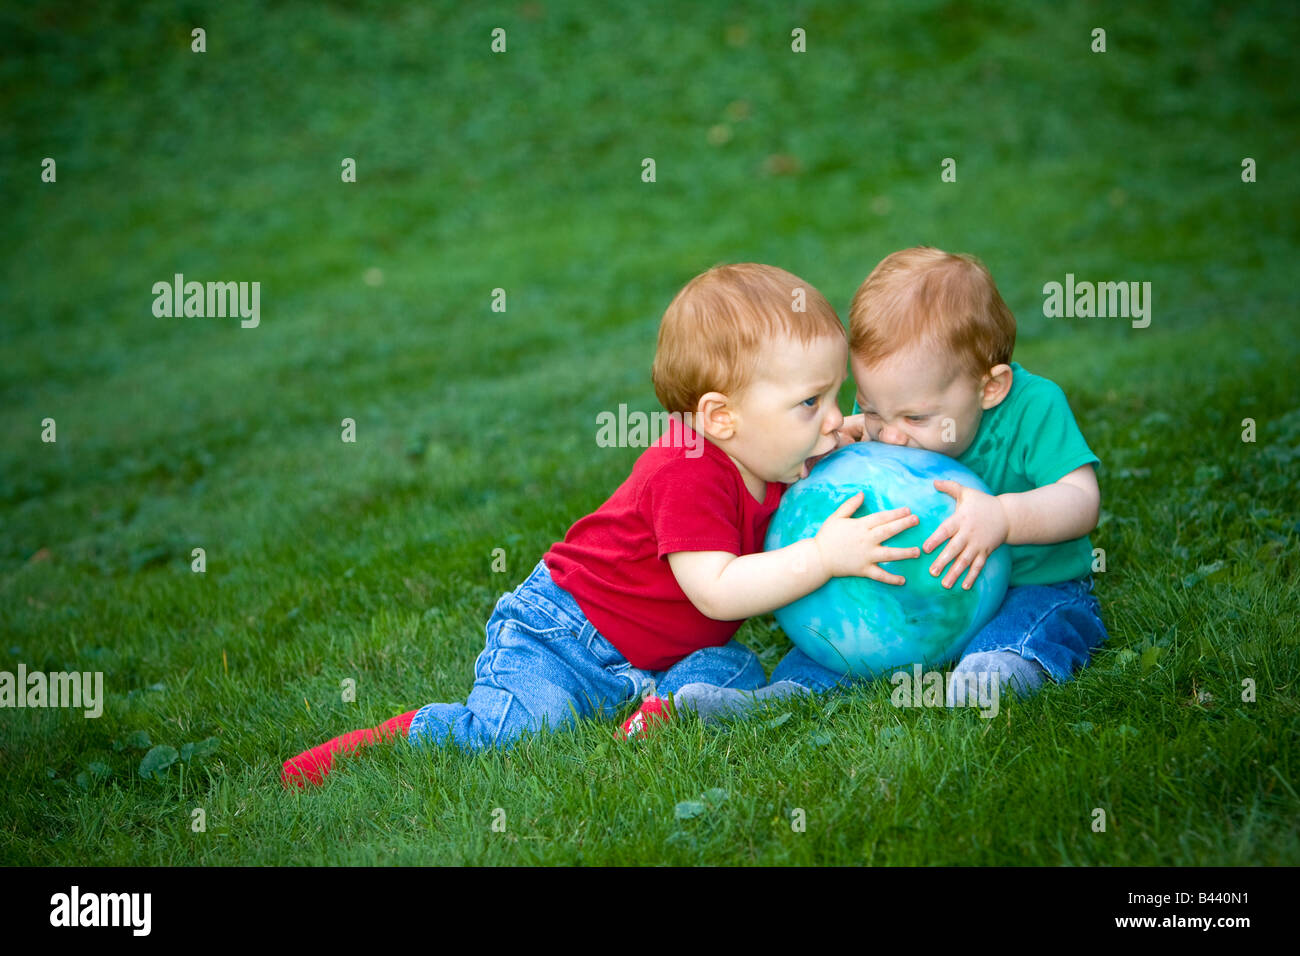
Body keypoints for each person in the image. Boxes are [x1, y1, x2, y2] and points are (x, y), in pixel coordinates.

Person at [281, 263, 920, 786]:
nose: (834, 417)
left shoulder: (774, 448)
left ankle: (654, 711)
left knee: (731, 675)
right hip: (566, 632)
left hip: (669, 652)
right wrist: (823, 557)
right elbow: (718, 590)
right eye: (813, 403)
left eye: (835, 397)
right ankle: (391, 739)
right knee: (518, 734)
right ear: (721, 418)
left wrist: (858, 441)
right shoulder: (688, 468)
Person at [672, 246, 1109, 719]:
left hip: (1030, 582)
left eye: (915, 417)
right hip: (911, 590)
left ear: (990, 387)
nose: (892, 436)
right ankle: (784, 697)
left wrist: (1004, 517)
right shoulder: (893, 419)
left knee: (1032, 622)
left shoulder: (1033, 409)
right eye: (872, 409)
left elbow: (1081, 500)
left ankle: (1001, 672)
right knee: (838, 643)